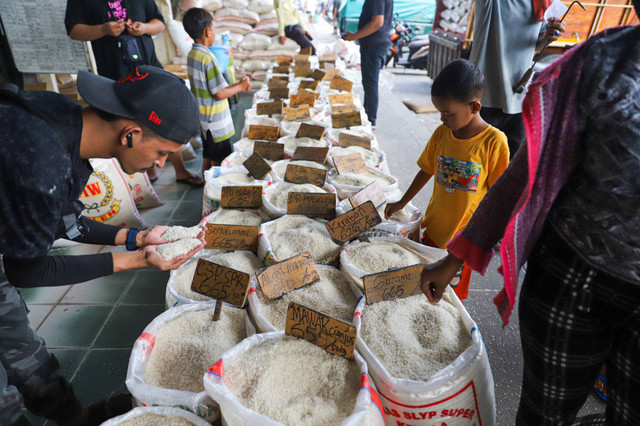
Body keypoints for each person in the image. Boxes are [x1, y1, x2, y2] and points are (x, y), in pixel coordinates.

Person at [420, 9, 640, 424]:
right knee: (544, 414)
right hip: (573, 282)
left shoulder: (493, 137)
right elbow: (517, 182)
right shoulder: (597, 64)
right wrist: (454, 258)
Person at [0, 66, 205, 426]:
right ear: (131, 133)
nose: (160, 163)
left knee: (19, 343)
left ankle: (77, 418)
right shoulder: (41, 163)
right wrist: (136, 260)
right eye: (161, 152)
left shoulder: (65, 119)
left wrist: (136, 237)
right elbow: (28, 271)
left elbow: (64, 221)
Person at [385, 60, 509, 301]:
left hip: (462, 242)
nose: (442, 119)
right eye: (440, 112)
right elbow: (426, 170)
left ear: (474, 106)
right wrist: (402, 201)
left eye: (448, 114)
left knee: (448, 297)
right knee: (422, 289)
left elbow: (499, 197)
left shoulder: (494, 142)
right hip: (433, 228)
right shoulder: (442, 133)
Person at [65, 0, 205, 186]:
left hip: (149, 71)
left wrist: (144, 27)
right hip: (114, 71)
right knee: (132, 126)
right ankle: (144, 179)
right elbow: (74, 30)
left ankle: (179, 170)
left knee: (166, 121)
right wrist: (103, 29)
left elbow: (159, 23)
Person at [470, 0, 565, 158]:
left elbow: (538, 43)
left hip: (518, 100)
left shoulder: (542, 3)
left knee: (508, 170)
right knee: (473, 167)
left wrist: (550, 35)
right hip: (481, 99)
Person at [182, 8, 252, 176]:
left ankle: (206, 186)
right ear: (207, 32)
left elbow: (213, 87)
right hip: (216, 124)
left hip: (204, 121)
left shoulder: (193, 55)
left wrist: (235, 84)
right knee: (220, 160)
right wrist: (241, 87)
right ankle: (215, 190)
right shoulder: (208, 58)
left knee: (208, 155)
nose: (214, 33)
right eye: (213, 29)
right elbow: (219, 94)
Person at [342, 0, 392, 129]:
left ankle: (370, 120)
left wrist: (354, 37)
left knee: (370, 83)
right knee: (369, 82)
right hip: (375, 43)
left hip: (374, 44)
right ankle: (367, 116)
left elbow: (377, 22)